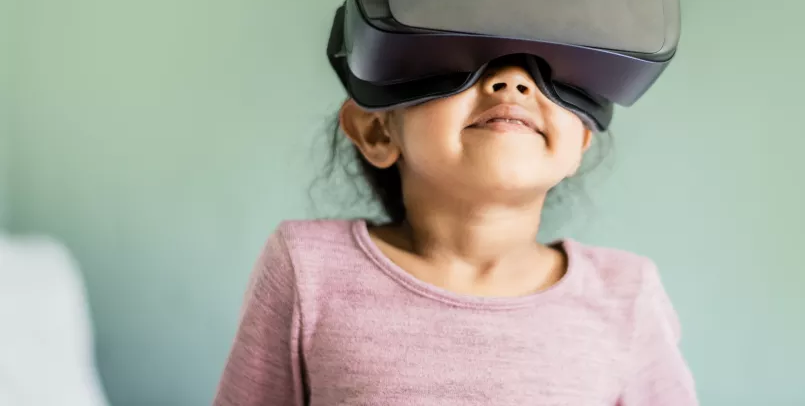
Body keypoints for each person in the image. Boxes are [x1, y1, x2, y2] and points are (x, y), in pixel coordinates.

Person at [212, 56, 699, 404]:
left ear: (580, 144)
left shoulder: (626, 292)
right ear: (378, 131)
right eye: (464, 57)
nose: (513, 80)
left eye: (548, 70)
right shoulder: (307, 266)